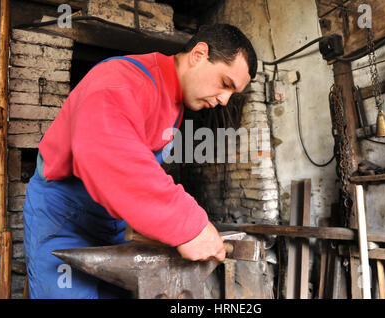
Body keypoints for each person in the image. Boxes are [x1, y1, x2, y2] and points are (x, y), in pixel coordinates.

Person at [23, 23, 257, 299]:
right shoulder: (123, 78)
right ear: (199, 54)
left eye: (233, 94)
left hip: (111, 225)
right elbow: (105, 152)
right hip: (65, 216)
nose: (223, 100)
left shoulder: (175, 106)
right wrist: (186, 223)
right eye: (225, 83)